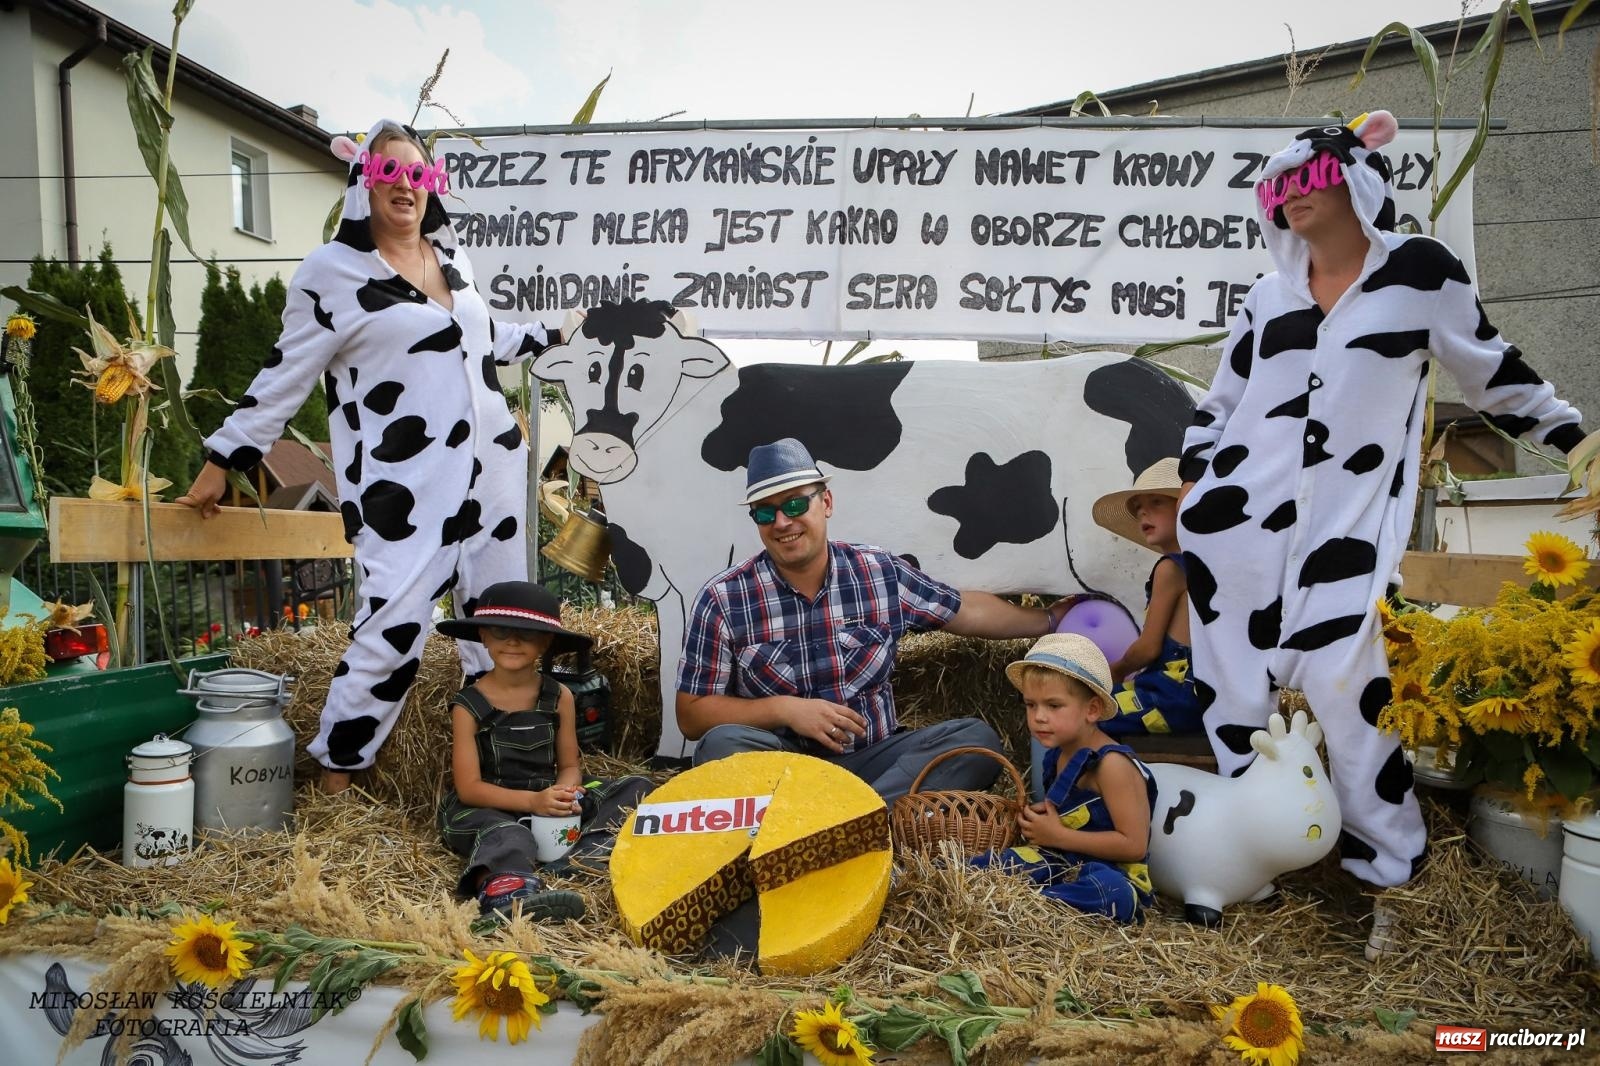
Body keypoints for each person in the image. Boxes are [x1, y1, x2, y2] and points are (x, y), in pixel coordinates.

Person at [1175, 111, 1587, 952]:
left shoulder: (1420, 277)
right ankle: (1256, 866)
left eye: (1307, 181)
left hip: (1348, 542)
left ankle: (1386, 881)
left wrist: (1579, 445)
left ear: (1353, 183)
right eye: (1278, 187)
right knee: (1235, 707)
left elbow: (1497, 374)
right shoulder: (1267, 296)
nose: (1290, 200)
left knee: (1351, 700)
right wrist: (1194, 485)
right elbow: (1217, 406)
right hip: (1236, 539)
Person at [177, 119, 560, 793]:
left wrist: (557, 330)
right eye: (390, 174)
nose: (405, 187)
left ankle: (503, 775)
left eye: (418, 174)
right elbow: (283, 375)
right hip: (404, 489)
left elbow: (485, 337)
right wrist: (223, 461)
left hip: (493, 475)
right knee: (392, 628)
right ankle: (336, 784)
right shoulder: (333, 275)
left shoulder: (453, 260)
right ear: (364, 184)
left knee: (503, 625)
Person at [675, 437, 1070, 805]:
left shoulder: (877, 572)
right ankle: (857, 821)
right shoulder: (724, 598)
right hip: (783, 768)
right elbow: (692, 716)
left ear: (825, 502)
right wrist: (784, 709)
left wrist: (1050, 620)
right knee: (720, 746)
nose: (782, 522)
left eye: (795, 504)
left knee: (974, 741)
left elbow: (966, 610)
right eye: (765, 511)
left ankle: (843, 821)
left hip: (876, 763)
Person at [435, 581, 651, 921]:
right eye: (500, 631)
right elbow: (469, 788)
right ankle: (506, 893)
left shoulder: (559, 695)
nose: (513, 641)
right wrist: (532, 803)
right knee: (508, 834)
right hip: (486, 805)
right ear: (484, 636)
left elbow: (568, 764)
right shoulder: (468, 705)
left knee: (635, 787)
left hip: (544, 791)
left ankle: (576, 861)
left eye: (527, 634)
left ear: (546, 642)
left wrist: (565, 792)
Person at [969, 633, 1157, 923]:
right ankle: (954, 874)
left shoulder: (1112, 765)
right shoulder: (1057, 754)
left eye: (1053, 706)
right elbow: (1065, 814)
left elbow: (1134, 845)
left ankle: (1037, 905)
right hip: (1063, 858)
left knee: (1112, 893)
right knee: (1006, 862)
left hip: (1112, 871)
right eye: (1031, 705)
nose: (1039, 717)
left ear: (1092, 710)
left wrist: (1059, 835)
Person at [1090, 457, 1200, 735]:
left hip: (1170, 700)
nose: (1143, 513)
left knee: (1080, 715)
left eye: (1156, 503)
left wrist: (1115, 670)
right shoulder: (1200, 566)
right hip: (1195, 697)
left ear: (1185, 505)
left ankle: (1076, 779)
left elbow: (1148, 648)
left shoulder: (1170, 569)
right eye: (1138, 507)